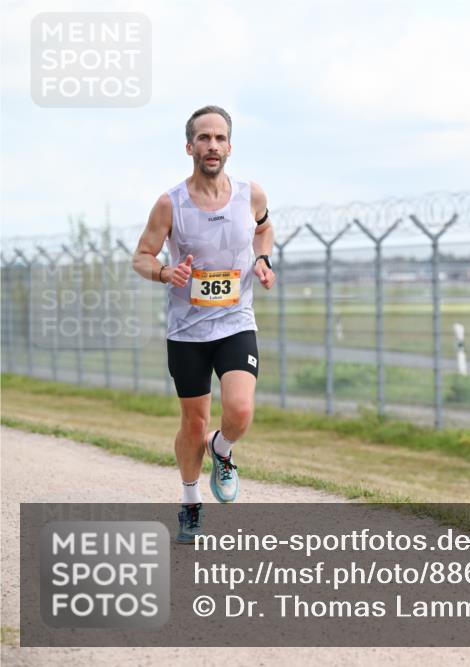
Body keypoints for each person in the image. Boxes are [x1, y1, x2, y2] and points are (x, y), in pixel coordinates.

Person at [131, 105, 275, 543]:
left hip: (235, 320)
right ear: (189, 146)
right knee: (193, 423)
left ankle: (223, 450)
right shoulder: (168, 203)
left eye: (219, 138)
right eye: (203, 138)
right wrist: (163, 273)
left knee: (240, 410)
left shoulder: (250, 195)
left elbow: (264, 230)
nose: (211, 146)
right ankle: (191, 501)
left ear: (229, 146)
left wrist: (264, 259)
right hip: (188, 330)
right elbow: (141, 256)